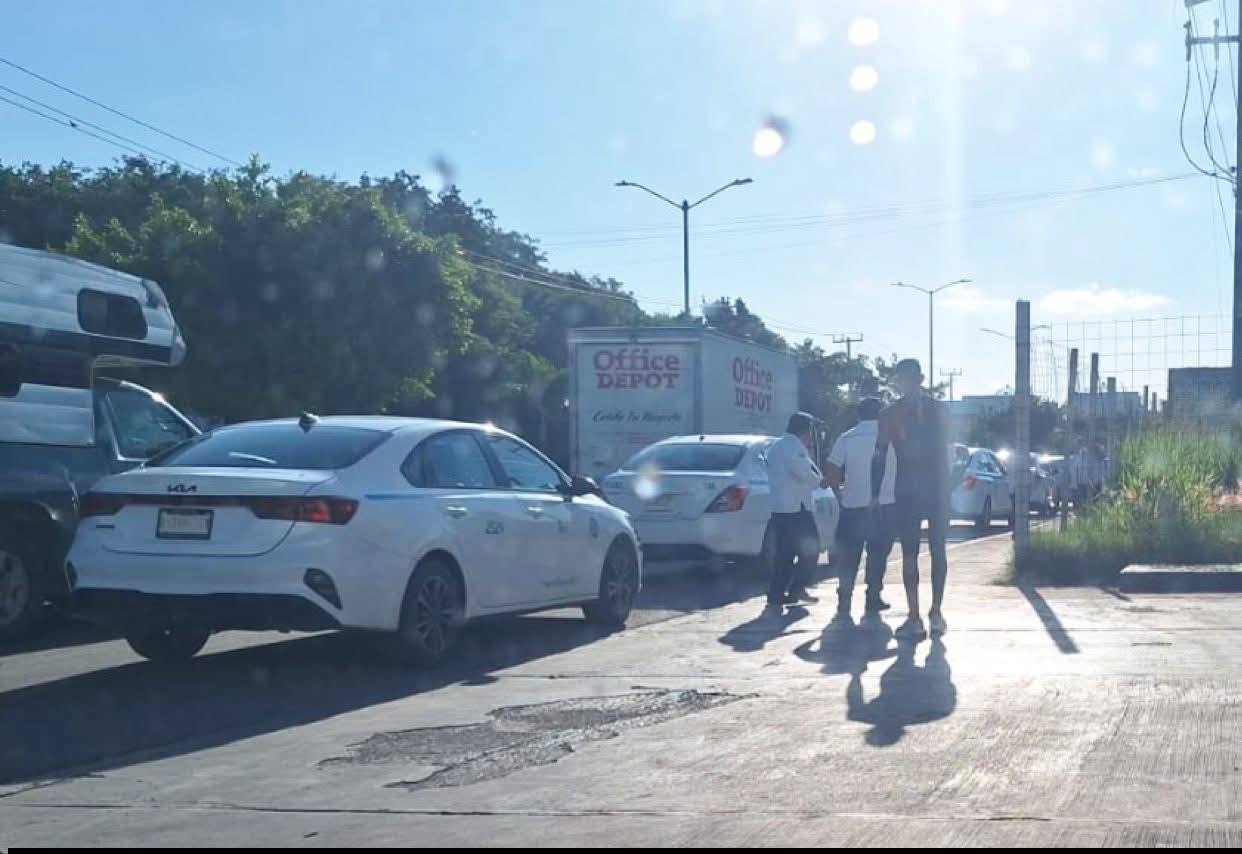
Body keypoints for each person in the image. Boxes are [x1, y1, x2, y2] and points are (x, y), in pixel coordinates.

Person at [872, 358, 950, 641]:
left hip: (917, 488)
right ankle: (922, 613)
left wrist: (874, 492)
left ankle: (927, 613)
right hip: (924, 488)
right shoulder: (931, 410)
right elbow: (880, 454)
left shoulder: (892, 413)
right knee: (917, 552)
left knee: (924, 551)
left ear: (917, 379)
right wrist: (874, 491)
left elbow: (879, 454)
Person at [824, 397, 897, 623]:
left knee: (849, 556)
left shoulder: (847, 437)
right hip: (884, 505)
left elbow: (832, 468)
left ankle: (844, 598)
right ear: (881, 414)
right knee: (878, 555)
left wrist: (838, 494)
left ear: (858, 415)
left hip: (853, 506)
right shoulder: (892, 437)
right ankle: (873, 596)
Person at [765, 411, 827, 612]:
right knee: (811, 549)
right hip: (796, 508)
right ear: (804, 429)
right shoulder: (794, 447)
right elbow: (805, 474)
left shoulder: (776, 446)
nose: (812, 435)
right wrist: (822, 482)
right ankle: (797, 588)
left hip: (780, 508)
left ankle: (776, 595)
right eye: (810, 430)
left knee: (784, 554)